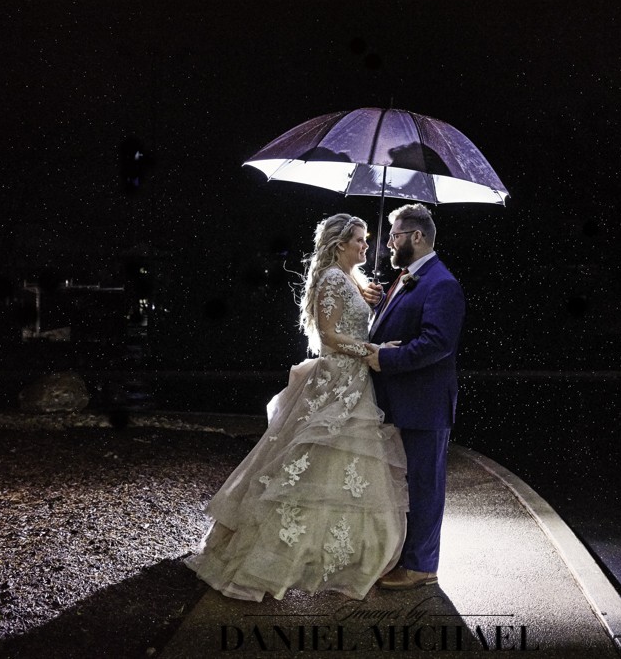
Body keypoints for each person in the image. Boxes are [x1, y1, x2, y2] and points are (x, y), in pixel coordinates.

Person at [186, 214, 408, 602]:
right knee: (309, 464)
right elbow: (329, 336)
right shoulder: (332, 278)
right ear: (340, 244)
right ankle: (270, 560)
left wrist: (366, 299)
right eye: (359, 239)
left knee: (341, 469)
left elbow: (349, 323)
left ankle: (339, 555)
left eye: (365, 239)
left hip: (353, 383)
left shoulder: (349, 278)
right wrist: (372, 350)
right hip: (336, 382)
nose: (365, 246)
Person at [363, 203, 466, 591]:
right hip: (401, 402)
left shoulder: (442, 283)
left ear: (417, 237)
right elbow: (400, 324)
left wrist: (385, 359)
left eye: (395, 236)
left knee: (424, 486)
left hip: (424, 405)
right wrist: (378, 305)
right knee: (403, 485)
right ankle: (402, 557)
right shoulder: (407, 278)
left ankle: (422, 566)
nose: (389, 243)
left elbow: (437, 343)